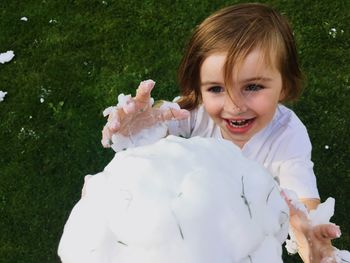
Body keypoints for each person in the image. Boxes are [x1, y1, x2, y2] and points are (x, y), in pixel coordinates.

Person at [100, 3, 342, 263]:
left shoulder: (288, 134)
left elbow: (301, 197)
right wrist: (139, 127)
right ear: (200, 89)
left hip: (244, 224)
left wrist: (308, 230)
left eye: (252, 86)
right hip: (190, 211)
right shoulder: (195, 111)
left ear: (284, 87)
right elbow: (164, 115)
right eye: (216, 89)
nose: (234, 106)